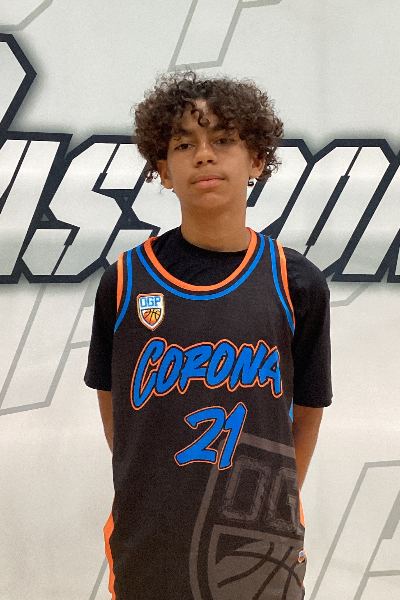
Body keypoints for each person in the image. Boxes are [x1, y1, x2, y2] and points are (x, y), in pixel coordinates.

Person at [84, 72, 332, 600]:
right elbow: (115, 408)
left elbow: (308, 410)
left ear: (257, 160)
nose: (204, 155)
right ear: (163, 170)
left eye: (223, 139)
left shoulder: (297, 282)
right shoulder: (125, 281)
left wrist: (276, 501)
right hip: (149, 537)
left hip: (260, 544)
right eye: (184, 144)